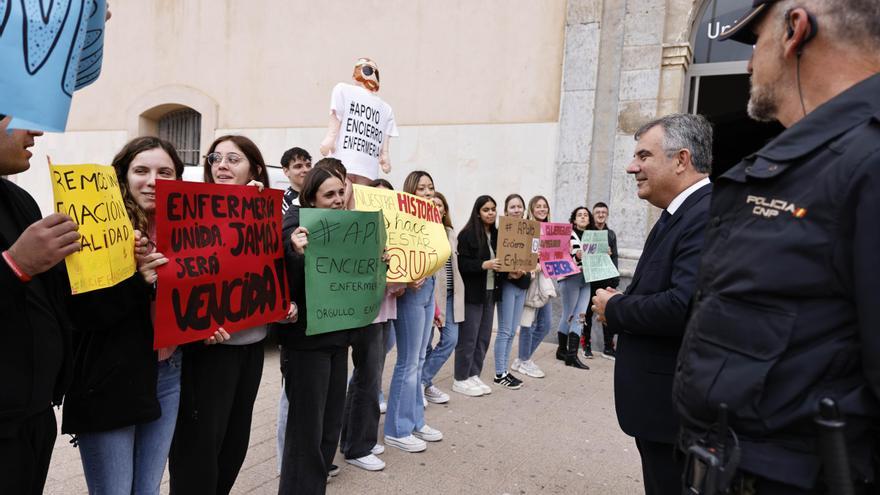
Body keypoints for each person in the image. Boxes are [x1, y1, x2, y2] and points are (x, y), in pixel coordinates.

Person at [673, 2, 880, 493]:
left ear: (794, 30)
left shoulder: (867, 162)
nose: (748, 64)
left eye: (755, 41)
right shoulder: (812, 159)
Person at [591, 113, 713, 495]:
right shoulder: (679, 214)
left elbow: (684, 306)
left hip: (675, 411)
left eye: (643, 156)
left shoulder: (705, 214)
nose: (632, 167)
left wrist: (615, 308)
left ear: (681, 159)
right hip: (662, 411)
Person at [61, 137, 184, 494]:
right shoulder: (98, 227)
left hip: (168, 374)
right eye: (141, 170)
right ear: (123, 175)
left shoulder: (188, 227)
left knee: (147, 490)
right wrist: (138, 280)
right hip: (111, 377)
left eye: (165, 171)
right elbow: (82, 315)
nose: (152, 180)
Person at [168, 135, 272, 494]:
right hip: (209, 350)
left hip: (252, 347)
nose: (222, 165)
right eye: (216, 158)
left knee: (234, 443)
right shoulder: (192, 210)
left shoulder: (268, 211)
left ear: (254, 169)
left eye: (233, 159)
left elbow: (279, 273)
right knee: (198, 447)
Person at [278, 163, 377, 493]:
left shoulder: (351, 225)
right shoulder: (294, 223)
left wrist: (379, 262)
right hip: (307, 344)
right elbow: (282, 281)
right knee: (306, 433)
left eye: (340, 192)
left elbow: (355, 275)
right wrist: (294, 252)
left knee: (327, 430)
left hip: (339, 340)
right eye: (328, 194)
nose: (337, 199)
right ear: (312, 198)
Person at [0, 114, 79, 494]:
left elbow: (48, 301)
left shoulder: (19, 199)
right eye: (22, 119)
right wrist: (14, 264)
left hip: (34, 417)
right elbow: (18, 270)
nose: (37, 131)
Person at [383, 171, 444, 453]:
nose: (428, 192)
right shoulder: (400, 219)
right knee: (407, 363)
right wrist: (408, 274)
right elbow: (394, 255)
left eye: (431, 187)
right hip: (410, 291)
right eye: (421, 188)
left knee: (420, 360)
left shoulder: (433, 219)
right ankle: (397, 428)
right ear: (410, 192)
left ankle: (416, 421)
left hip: (429, 287)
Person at [320, 58, 399, 187]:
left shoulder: (386, 108)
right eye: (368, 70)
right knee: (345, 197)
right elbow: (336, 118)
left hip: (364, 167)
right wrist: (330, 139)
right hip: (346, 162)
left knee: (357, 201)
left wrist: (385, 156)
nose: (372, 74)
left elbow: (385, 137)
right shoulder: (344, 90)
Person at [452, 195, 502, 397]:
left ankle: (474, 374)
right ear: (478, 212)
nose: (490, 213)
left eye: (493, 209)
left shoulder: (499, 235)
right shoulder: (467, 235)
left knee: (483, 337)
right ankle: (460, 378)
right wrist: (484, 264)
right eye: (486, 209)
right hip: (473, 294)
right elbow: (462, 265)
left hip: (491, 292)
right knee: (469, 337)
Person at [421, 191, 465, 403]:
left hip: (451, 295)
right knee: (425, 345)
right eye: (432, 204)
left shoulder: (450, 232)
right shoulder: (421, 231)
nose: (436, 208)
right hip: (431, 295)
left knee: (450, 340)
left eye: (440, 205)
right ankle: (424, 386)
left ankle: (421, 381)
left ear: (444, 209)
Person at [513, 195, 555, 378]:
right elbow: (520, 255)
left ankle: (523, 357)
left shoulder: (552, 231)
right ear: (531, 209)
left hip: (545, 281)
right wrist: (535, 259)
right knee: (527, 322)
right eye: (538, 206)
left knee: (545, 325)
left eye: (544, 206)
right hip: (530, 280)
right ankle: (524, 360)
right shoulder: (526, 229)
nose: (542, 209)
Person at [491, 194, 530, 389]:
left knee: (512, 330)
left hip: (522, 285)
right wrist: (509, 272)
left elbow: (533, 258)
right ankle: (500, 373)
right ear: (506, 211)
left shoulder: (530, 232)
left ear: (523, 210)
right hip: (507, 284)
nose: (516, 210)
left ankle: (505, 370)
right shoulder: (499, 234)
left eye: (519, 206)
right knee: (505, 331)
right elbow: (498, 261)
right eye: (512, 207)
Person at [554, 207, 592, 370]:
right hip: (570, 278)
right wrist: (575, 257)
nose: (583, 217)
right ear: (574, 219)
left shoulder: (593, 237)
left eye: (585, 215)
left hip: (587, 278)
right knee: (569, 314)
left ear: (588, 220)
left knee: (580, 315)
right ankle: (565, 352)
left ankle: (568, 354)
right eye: (579, 215)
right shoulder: (566, 234)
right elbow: (557, 256)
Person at [581, 201, 619, 360]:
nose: (601, 215)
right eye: (598, 212)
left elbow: (615, 256)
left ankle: (608, 347)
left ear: (607, 214)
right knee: (588, 313)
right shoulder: (587, 232)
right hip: (590, 279)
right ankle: (586, 346)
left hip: (606, 278)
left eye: (604, 212)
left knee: (607, 312)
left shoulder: (611, 234)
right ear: (593, 214)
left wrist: (615, 277)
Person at [279, 146, 312, 214]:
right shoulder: (284, 200)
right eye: (298, 166)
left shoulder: (320, 193)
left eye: (308, 165)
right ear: (286, 171)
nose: (306, 170)